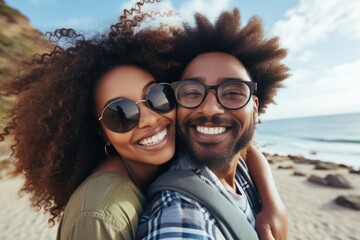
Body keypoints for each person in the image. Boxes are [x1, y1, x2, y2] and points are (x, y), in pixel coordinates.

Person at [0, 4, 285, 240]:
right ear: (102, 132)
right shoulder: (102, 215)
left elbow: (239, 143)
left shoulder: (179, 149)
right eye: (121, 113)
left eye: (157, 96)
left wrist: (272, 202)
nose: (150, 118)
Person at [137, 8, 289, 240]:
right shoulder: (180, 214)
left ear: (255, 108)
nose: (209, 108)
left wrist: (273, 200)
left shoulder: (238, 166)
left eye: (233, 92)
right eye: (191, 92)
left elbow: (250, 150)